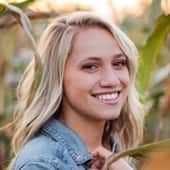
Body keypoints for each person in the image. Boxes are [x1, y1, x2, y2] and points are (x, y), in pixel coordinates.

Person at [9, 11, 144, 170]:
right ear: (57, 77)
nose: (112, 80)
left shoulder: (116, 154)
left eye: (119, 63)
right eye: (91, 67)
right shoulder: (40, 163)